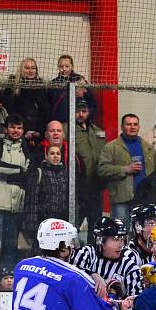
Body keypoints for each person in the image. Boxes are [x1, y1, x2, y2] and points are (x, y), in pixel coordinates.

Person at [0, 113, 39, 287]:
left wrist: (15, 174)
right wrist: (20, 171)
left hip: (17, 204)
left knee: (10, 244)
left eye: (19, 128)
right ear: (6, 129)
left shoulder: (27, 148)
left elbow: (30, 173)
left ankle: (7, 280)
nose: (16, 131)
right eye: (13, 127)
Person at [97, 113, 156, 228]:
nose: (132, 127)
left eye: (135, 124)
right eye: (129, 124)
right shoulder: (111, 147)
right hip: (121, 200)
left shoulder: (148, 147)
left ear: (139, 127)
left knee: (143, 233)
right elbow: (102, 170)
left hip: (144, 199)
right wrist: (125, 169)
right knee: (120, 232)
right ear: (122, 127)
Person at [64, 99, 106, 238]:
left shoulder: (98, 131)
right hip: (76, 187)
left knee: (95, 226)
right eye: (77, 111)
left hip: (95, 187)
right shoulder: (66, 129)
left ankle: (93, 254)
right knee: (72, 224)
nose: (80, 114)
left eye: (84, 111)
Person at [22, 145, 68, 247]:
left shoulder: (64, 174)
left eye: (58, 153)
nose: (55, 156)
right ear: (46, 156)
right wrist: (32, 224)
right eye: (52, 153)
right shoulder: (39, 173)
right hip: (43, 220)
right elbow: (32, 199)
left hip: (60, 220)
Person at [2, 58, 50, 145]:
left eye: (33, 68)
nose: (30, 71)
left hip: (37, 133)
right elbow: (9, 110)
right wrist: (23, 132)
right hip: (17, 132)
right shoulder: (12, 86)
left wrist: (39, 131)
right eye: (27, 68)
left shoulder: (41, 87)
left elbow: (45, 112)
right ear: (21, 70)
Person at [49, 54, 96, 124]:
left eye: (67, 66)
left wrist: (86, 118)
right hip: (60, 122)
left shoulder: (80, 80)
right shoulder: (53, 83)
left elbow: (91, 102)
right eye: (61, 66)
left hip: (80, 121)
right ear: (58, 67)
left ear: (72, 67)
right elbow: (50, 105)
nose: (64, 69)